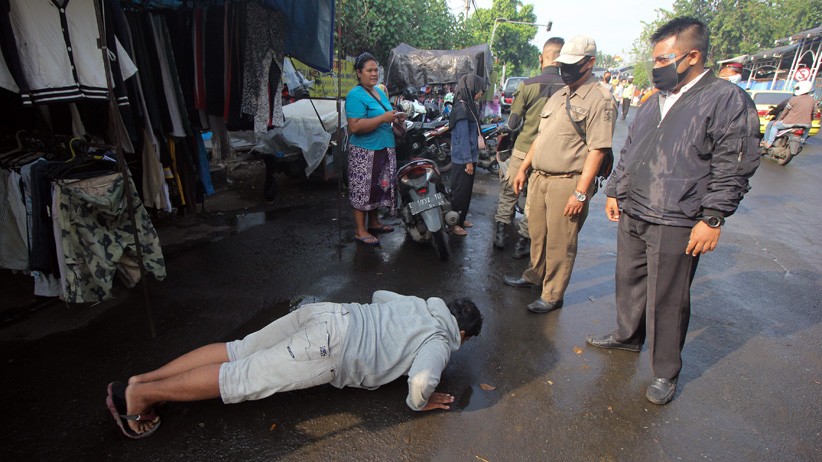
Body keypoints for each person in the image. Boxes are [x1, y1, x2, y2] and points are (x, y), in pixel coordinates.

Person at [587, 17, 760, 405]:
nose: (656, 67)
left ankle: (665, 371)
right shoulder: (653, 102)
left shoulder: (726, 99)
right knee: (628, 280)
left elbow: (735, 164)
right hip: (635, 209)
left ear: (693, 56)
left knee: (668, 297)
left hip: (678, 217)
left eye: (664, 58)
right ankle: (627, 336)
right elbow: (630, 149)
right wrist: (615, 190)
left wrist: (713, 218)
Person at [105, 291, 483, 438]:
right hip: (329, 348)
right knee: (239, 378)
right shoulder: (440, 342)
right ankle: (142, 396)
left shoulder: (420, 304)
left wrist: (388, 331)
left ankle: (141, 380)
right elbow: (421, 383)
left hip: (328, 314)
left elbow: (379, 294)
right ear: (462, 334)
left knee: (239, 350)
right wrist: (421, 402)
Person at [503, 35, 617, 314]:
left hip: (567, 182)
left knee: (560, 241)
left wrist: (581, 191)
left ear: (589, 63)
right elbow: (540, 137)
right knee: (538, 234)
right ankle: (534, 277)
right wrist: (524, 168)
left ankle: (553, 294)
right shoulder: (559, 95)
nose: (565, 70)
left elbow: (598, 149)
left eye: (572, 64)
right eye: (563, 64)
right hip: (540, 177)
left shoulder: (599, 99)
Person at [493, 37, 565, 259]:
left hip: (523, 148)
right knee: (534, 200)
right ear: (562, 60)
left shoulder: (527, 85)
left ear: (541, 58)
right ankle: (523, 243)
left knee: (509, 191)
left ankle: (501, 235)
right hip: (552, 155)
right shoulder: (570, 88)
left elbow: (512, 123)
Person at [345, 52, 405, 246]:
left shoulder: (379, 92)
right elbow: (354, 126)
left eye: (376, 70)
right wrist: (382, 118)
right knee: (362, 190)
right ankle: (360, 230)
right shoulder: (355, 95)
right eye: (369, 70)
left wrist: (396, 118)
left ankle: (374, 222)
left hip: (383, 148)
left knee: (377, 189)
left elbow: (386, 115)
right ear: (359, 73)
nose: (374, 74)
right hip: (364, 151)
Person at [448, 74, 488, 236]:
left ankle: (461, 217)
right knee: (459, 191)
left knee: (466, 191)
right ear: (472, 89)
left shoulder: (469, 106)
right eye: (480, 90)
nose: (481, 94)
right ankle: (453, 223)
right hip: (463, 159)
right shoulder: (462, 108)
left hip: (470, 157)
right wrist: (468, 162)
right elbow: (463, 138)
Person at [763, 80, 815, 147]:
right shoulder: (813, 100)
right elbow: (814, 113)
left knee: (774, 125)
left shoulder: (793, 99)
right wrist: (809, 120)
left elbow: (785, 111)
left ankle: (769, 143)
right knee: (807, 129)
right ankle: (801, 142)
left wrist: (778, 120)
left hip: (789, 122)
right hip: (806, 124)